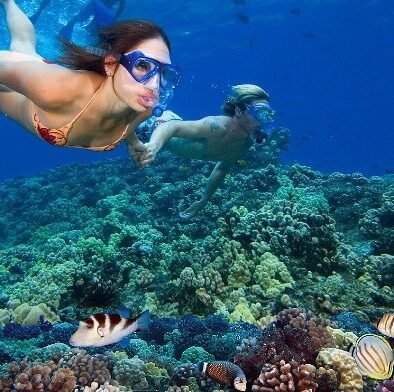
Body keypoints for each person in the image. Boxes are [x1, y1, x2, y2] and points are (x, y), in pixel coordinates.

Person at [0, 0, 180, 157]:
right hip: (13, 83)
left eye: (164, 72)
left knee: (23, 45)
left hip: (35, 80)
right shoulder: (55, 89)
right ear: (110, 64)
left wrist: (135, 144)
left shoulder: (144, 107)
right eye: (142, 65)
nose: (155, 85)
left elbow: (126, 120)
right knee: (22, 49)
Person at [133, 84, 274, 219]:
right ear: (238, 111)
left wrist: (204, 200)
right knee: (126, 111)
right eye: (258, 112)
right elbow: (172, 127)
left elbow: (222, 167)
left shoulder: (245, 144)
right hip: (155, 123)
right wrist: (154, 145)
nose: (262, 120)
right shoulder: (217, 126)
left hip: (160, 138)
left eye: (266, 114)